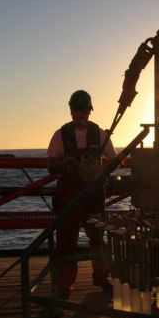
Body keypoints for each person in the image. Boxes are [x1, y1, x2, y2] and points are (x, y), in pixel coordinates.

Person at [46, 89, 117, 299]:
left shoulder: (101, 134)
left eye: (83, 110)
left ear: (89, 111)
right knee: (66, 240)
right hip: (69, 193)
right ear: (70, 110)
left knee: (97, 236)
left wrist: (101, 167)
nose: (79, 114)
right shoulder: (61, 134)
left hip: (94, 193)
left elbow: (112, 159)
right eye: (75, 109)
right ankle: (64, 286)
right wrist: (63, 163)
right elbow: (50, 165)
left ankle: (102, 278)